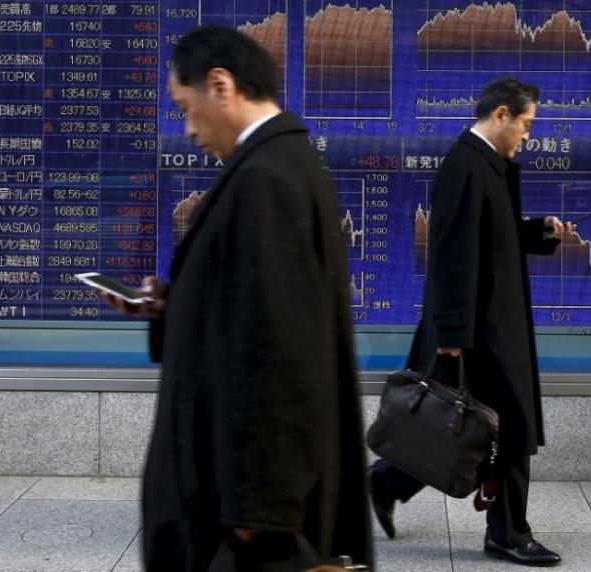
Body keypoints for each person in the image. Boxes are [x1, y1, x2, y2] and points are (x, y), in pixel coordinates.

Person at [105, 24, 372, 572]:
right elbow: (247, 307)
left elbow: (285, 347)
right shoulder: (272, 165)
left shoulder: (267, 179)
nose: (186, 129)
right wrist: (170, 305)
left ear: (221, 85)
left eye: (185, 107)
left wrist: (261, 504)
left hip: (248, 515)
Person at [369, 78, 573, 567]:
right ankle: (509, 533)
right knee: (508, 430)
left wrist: (538, 230)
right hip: (480, 333)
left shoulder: (486, 165)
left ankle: (388, 480)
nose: (528, 135)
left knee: (471, 429)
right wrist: (454, 335)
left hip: (493, 326)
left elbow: (492, 236)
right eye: (526, 124)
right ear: (501, 114)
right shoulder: (465, 166)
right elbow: (450, 256)